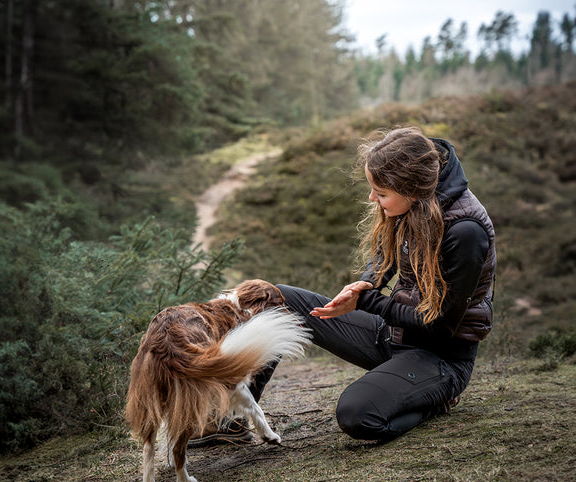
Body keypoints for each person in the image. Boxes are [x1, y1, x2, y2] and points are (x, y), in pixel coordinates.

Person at [191, 126, 495, 445]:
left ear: (411, 188)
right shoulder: (418, 199)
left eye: (380, 192)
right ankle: (235, 418)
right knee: (273, 299)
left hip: (441, 356)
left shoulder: (465, 231)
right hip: (394, 333)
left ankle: (434, 401)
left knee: (357, 415)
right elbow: (384, 254)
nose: (372, 198)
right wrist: (364, 284)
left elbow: (440, 327)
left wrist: (367, 302)